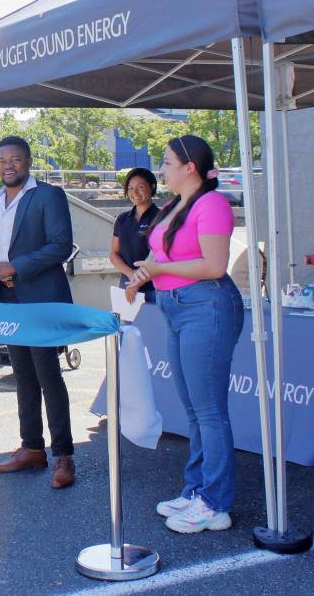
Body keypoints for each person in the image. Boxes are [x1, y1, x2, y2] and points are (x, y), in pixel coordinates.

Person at [126, 135, 243, 534]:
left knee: (209, 412)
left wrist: (156, 273)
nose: (161, 169)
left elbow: (214, 265)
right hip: (177, 307)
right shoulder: (178, 205)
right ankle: (197, 490)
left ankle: (215, 504)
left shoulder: (212, 204)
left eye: (167, 162)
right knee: (194, 410)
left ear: (189, 167)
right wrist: (141, 276)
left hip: (206, 306)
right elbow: (161, 256)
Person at [0, 136, 76, 489]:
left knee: (48, 375)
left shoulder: (48, 196)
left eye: (15, 159)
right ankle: (32, 447)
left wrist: (14, 266)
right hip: (5, 300)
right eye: (2, 160)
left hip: (40, 299)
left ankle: (64, 455)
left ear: (28, 161)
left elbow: (60, 246)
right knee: (23, 376)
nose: (8, 165)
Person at [111, 168, 160, 304]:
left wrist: (138, 279)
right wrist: (131, 274)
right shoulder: (122, 219)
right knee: (128, 325)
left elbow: (159, 255)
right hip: (127, 285)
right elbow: (114, 254)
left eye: (140, 187)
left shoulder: (162, 217)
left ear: (152, 187)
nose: (135, 192)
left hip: (155, 288)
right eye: (130, 188)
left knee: (154, 325)